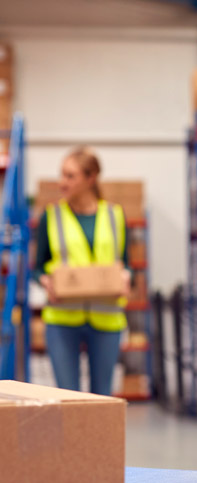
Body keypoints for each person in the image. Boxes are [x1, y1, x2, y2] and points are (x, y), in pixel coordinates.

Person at [34, 146, 130, 396]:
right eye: (61, 175)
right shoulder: (51, 216)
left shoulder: (115, 215)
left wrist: (127, 276)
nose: (62, 182)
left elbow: (126, 262)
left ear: (91, 178)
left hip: (107, 317)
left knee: (101, 398)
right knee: (68, 399)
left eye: (70, 176)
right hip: (63, 318)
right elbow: (37, 267)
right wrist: (45, 282)